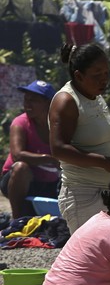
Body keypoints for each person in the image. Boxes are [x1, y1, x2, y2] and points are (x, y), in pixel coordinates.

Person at [49, 43, 110, 233]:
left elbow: (97, 133)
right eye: (97, 75)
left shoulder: (94, 96)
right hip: (83, 195)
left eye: (106, 74)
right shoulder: (67, 101)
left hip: (108, 190)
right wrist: (104, 162)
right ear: (79, 76)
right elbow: (58, 148)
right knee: (91, 258)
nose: (104, 80)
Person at [1, 80, 60, 218]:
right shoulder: (20, 122)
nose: (27, 103)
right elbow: (17, 156)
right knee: (21, 167)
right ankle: (16, 219)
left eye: (33, 100)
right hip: (18, 182)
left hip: (48, 184)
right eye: (26, 99)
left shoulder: (58, 125)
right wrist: (50, 159)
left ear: (48, 103)